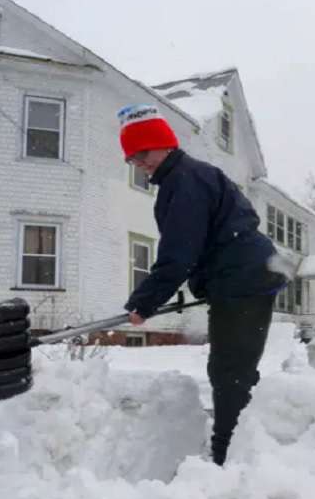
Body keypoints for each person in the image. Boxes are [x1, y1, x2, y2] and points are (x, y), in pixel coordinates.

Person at [118, 103, 285, 466]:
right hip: (242, 277)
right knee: (232, 367)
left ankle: (228, 454)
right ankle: (238, 444)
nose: (139, 163)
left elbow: (180, 254)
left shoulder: (184, 181)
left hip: (243, 280)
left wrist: (143, 303)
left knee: (230, 370)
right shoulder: (191, 176)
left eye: (142, 153)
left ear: (163, 145)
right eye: (131, 159)